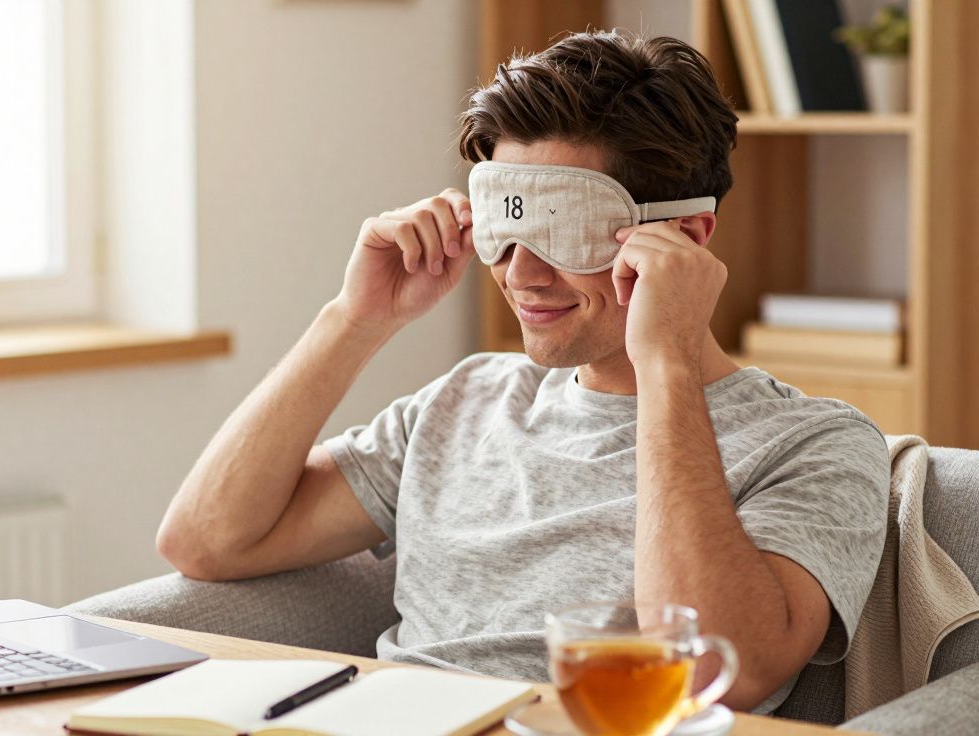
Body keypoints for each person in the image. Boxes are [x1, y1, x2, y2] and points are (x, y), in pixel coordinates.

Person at [155, 31, 889, 713]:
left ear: (686, 239)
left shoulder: (815, 445)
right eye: (505, 233)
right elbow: (207, 541)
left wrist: (666, 362)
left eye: (566, 233)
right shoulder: (464, 401)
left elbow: (715, 675)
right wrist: (356, 318)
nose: (523, 275)